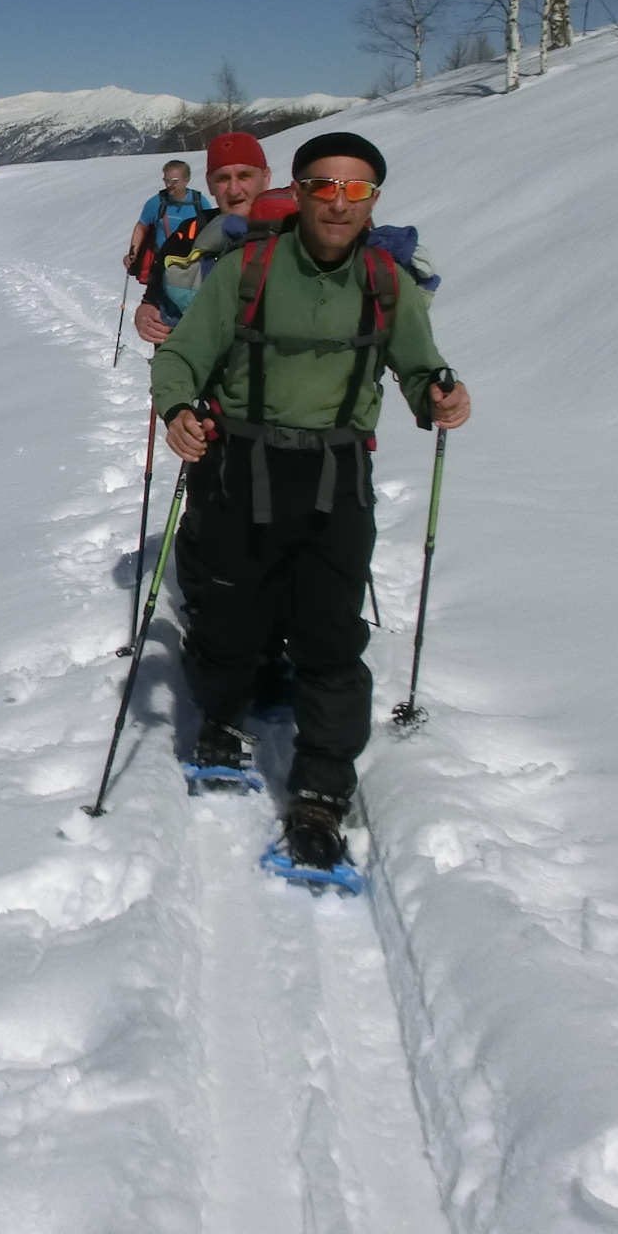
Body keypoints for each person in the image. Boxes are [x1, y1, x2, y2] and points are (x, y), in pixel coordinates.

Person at [148, 130, 471, 874]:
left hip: (336, 475)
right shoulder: (247, 270)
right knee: (232, 611)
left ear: (373, 200)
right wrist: (177, 411)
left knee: (329, 633)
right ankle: (224, 715)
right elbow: (184, 353)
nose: (338, 201)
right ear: (297, 191)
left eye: (355, 190)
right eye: (323, 185)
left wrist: (441, 398)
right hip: (240, 462)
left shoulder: (386, 282)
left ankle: (323, 787)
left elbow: (421, 367)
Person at [134, 132, 271, 343]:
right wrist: (145, 313)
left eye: (244, 176)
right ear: (210, 184)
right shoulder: (188, 234)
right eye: (223, 178)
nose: (234, 190)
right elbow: (155, 295)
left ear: (266, 178)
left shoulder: (290, 232)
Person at [123, 161, 214, 291]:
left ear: (186, 180)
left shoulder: (199, 202)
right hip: (162, 264)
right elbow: (141, 227)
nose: (169, 185)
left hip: (193, 266)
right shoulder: (156, 203)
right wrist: (133, 253)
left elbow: (210, 229)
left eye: (174, 181)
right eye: (166, 180)